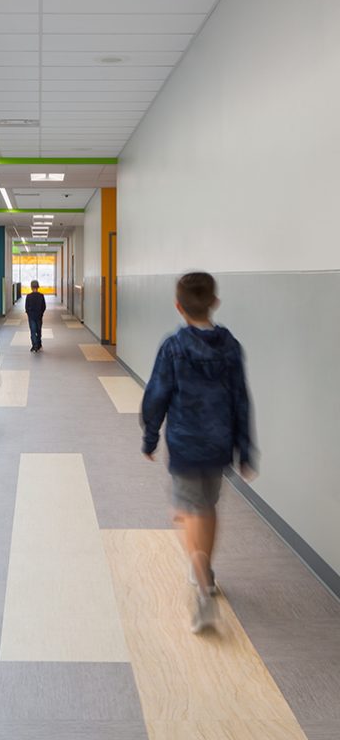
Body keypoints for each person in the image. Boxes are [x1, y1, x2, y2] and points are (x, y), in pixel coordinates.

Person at [141, 271, 256, 633]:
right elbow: (241, 400)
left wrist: (150, 438)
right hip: (219, 445)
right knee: (206, 507)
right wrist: (245, 450)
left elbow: (156, 396)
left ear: (178, 306)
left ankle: (202, 583)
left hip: (185, 444)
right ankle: (203, 569)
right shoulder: (231, 346)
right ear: (214, 303)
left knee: (187, 510)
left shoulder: (173, 347)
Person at [25, 279, 47, 352]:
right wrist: (41, 313)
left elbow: (26, 307)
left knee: (33, 331)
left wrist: (29, 313)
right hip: (39, 316)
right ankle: (39, 343)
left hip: (31, 316)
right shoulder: (41, 296)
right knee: (39, 330)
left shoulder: (28, 296)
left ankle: (35, 346)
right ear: (38, 287)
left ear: (31, 287)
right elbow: (44, 306)